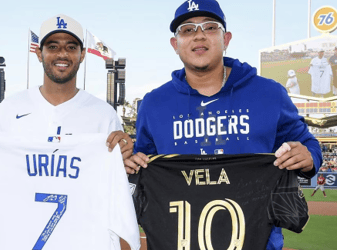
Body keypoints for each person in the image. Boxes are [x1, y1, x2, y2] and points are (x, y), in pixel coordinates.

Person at [125, 1, 322, 249]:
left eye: (210, 27)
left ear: (226, 38)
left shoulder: (269, 93)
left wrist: (308, 156)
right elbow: (145, 165)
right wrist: (132, 163)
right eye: (187, 30)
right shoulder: (153, 104)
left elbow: (309, 146)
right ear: (175, 44)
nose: (199, 35)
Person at [0, 14, 132, 161]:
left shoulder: (105, 115)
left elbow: (115, 177)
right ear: (39, 54)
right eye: (53, 46)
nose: (62, 54)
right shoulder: (9, 109)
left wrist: (125, 156)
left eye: (71, 47)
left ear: (82, 54)